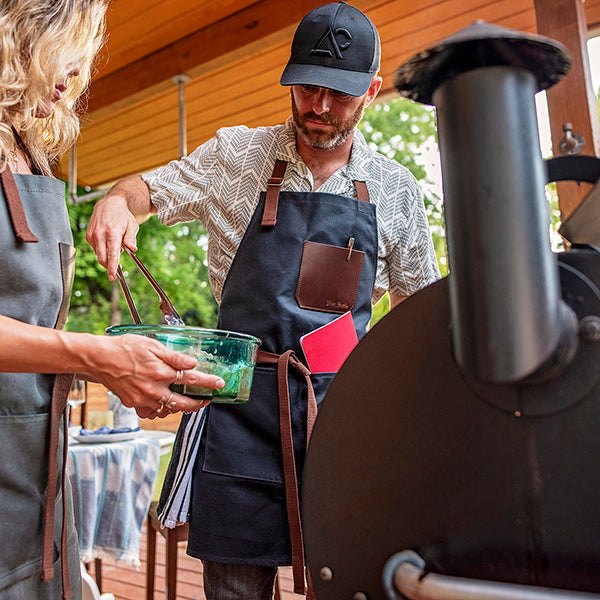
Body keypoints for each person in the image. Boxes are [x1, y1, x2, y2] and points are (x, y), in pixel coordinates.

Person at [86, 2, 440, 598]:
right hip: (238, 413)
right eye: (306, 89)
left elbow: (419, 318)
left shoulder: (396, 190)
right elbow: (141, 190)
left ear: (373, 91)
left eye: (339, 93)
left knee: (349, 582)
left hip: (340, 421)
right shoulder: (237, 157)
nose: (319, 107)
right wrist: (118, 204)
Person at [0, 1, 224, 598]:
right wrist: (99, 357)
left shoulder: (31, 152)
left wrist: (121, 364)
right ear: (17, 39)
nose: (74, 78)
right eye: (63, 52)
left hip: (38, 472)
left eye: (82, 58)